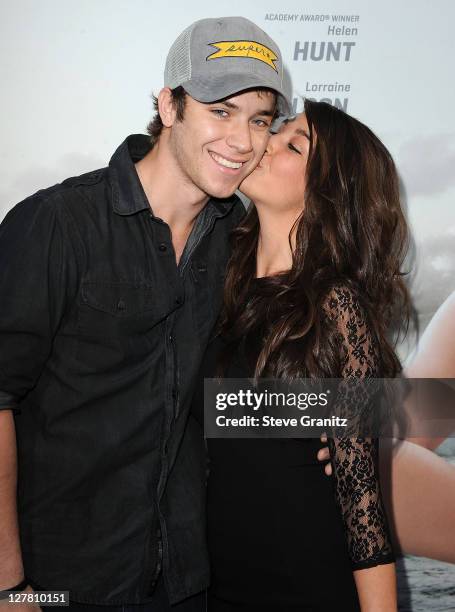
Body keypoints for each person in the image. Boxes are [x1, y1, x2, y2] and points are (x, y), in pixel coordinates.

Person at [0, 16, 291, 611]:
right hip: (59, 584)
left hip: (185, 581)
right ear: (170, 105)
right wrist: (8, 585)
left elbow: (229, 398)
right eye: (221, 110)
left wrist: (339, 423)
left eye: (259, 120)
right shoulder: (59, 223)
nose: (242, 141)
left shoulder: (238, 241)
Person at [192, 101, 410, 610]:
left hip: (306, 584)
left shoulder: (336, 305)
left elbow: (363, 507)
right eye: (279, 130)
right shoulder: (216, 279)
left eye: (295, 144)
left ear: (327, 190)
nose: (265, 143)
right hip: (211, 586)